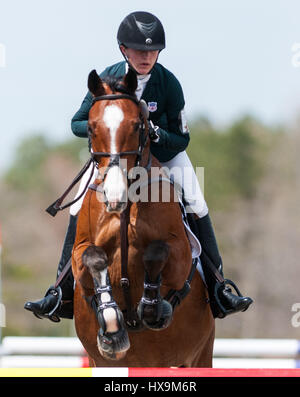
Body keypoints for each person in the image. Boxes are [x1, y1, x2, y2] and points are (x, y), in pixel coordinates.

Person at [25, 11, 252, 321]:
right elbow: (77, 122)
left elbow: (181, 138)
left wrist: (157, 133)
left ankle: (219, 286)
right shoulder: (107, 77)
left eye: (152, 50)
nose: (146, 56)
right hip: (116, 158)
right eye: (139, 50)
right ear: (124, 50)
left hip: (164, 156)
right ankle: (60, 291)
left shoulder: (168, 83)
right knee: (78, 205)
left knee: (197, 199)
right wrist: (101, 125)